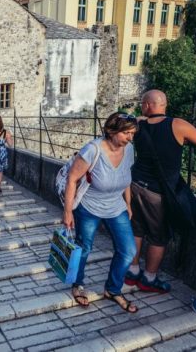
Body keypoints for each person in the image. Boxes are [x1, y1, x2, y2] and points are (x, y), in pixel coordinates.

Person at [125, 89, 196, 293]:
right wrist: (183, 139)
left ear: (146, 105)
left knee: (135, 230)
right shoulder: (177, 125)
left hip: (134, 185)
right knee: (158, 236)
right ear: (165, 104)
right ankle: (149, 279)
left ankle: (132, 271)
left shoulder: (137, 124)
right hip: (158, 192)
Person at [63, 112, 138, 312]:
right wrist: (68, 212)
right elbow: (71, 180)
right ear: (112, 131)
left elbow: (126, 177)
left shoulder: (129, 149)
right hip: (89, 208)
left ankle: (113, 289)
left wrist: (128, 204)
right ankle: (78, 284)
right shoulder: (92, 150)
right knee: (84, 248)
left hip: (116, 207)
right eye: (126, 133)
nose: (130, 137)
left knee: (128, 250)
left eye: (132, 133)